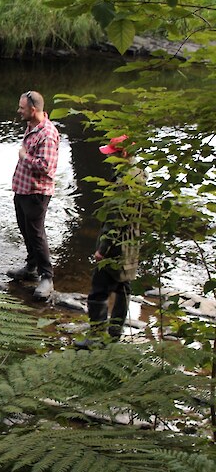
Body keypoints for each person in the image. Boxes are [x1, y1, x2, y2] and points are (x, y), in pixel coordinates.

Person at [76, 135, 144, 349]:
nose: (110, 158)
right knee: (123, 287)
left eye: (113, 154)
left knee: (98, 290)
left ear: (123, 154)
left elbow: (115, 219)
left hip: (116, 246)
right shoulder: (139, 173)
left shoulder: (123, 181)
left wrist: (102, 249)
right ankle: (114, 335)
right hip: (132, 243)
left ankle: (96, 337)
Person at [6, 90, 60, 301]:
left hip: (37, 193)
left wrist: (24, 157)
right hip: (22, 189)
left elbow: (46, 167)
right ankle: (31, 267)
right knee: (25, 229)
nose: (19, 111)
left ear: (33, 109)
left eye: (22, 108)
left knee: (37, 234)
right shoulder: (32, 126)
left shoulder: (47, 134)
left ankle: (47, 277)